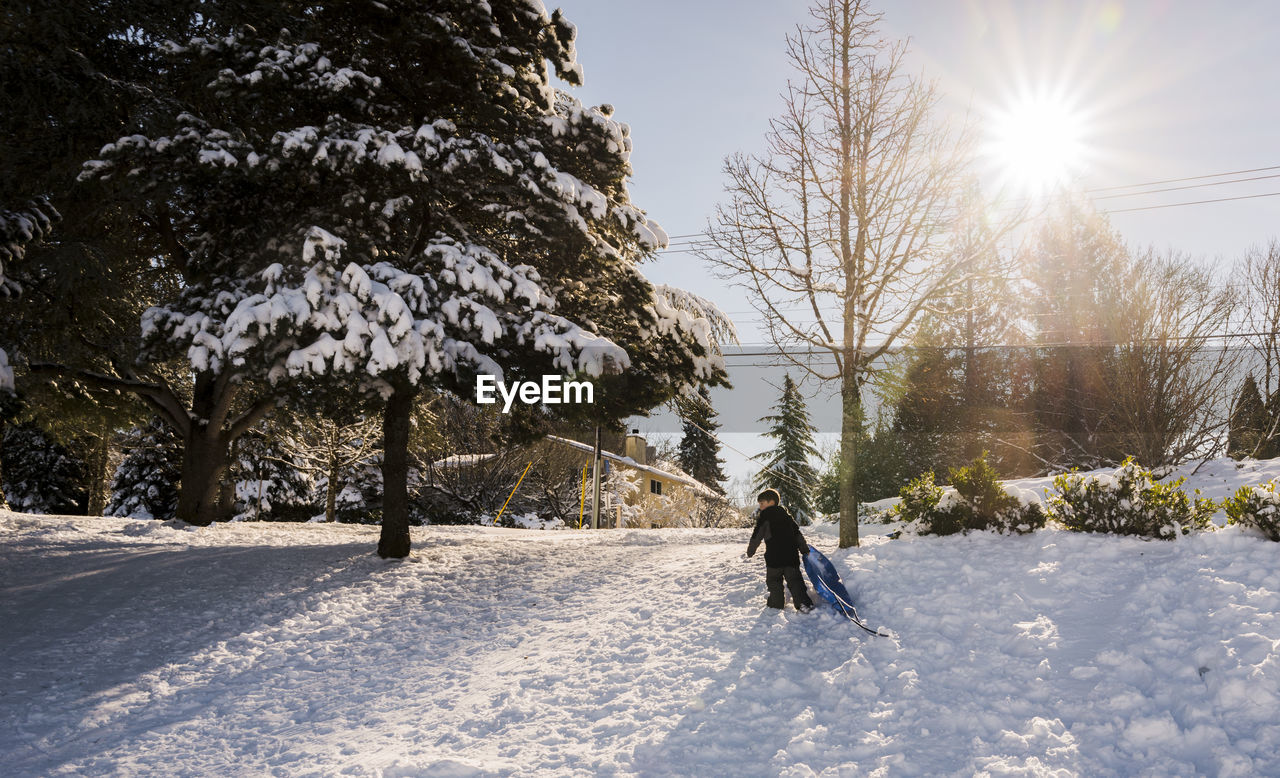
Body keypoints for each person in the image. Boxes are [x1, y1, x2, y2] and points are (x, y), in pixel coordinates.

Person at [746, 488, 815, 612]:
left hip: (774, 559)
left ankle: (776, 603)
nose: (760, 507)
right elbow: (797, 534)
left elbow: (757, 535)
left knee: (774, 582)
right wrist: (804, 549)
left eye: (762, 503)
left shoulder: (765, 517)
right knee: (795, 582)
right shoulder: (787, 517)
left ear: (771, 502)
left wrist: (751, 550)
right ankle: (804, 604)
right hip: (791, 557)